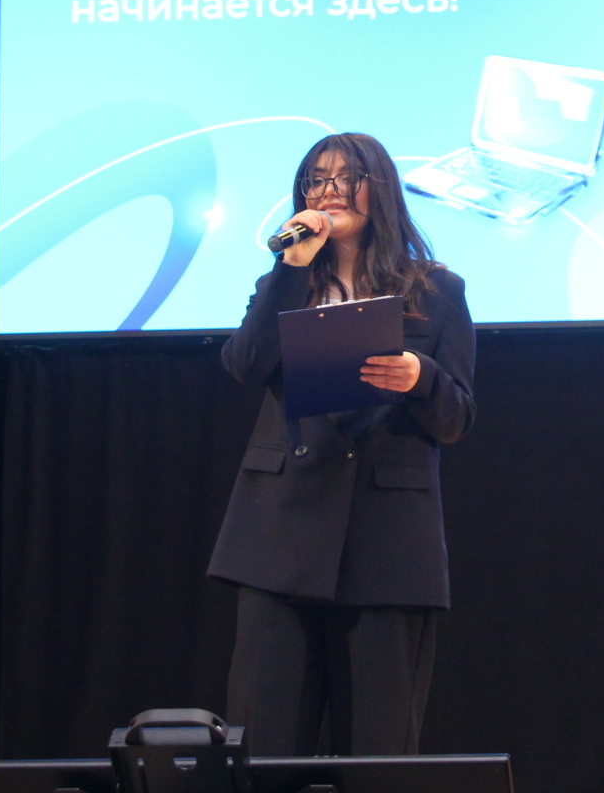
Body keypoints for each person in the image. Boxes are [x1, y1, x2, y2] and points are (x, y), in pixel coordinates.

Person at [208, 132, 476, 757]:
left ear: (379, 188)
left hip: (387, 544)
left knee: (379, 752)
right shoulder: (284, 282)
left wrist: (421, 377)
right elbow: (244, 365)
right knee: (264, 747)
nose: (328, 190)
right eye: (316, 179)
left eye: (345, 177)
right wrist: (289, 269)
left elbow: (458, 417)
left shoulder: (437, 292)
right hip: (280, 536)